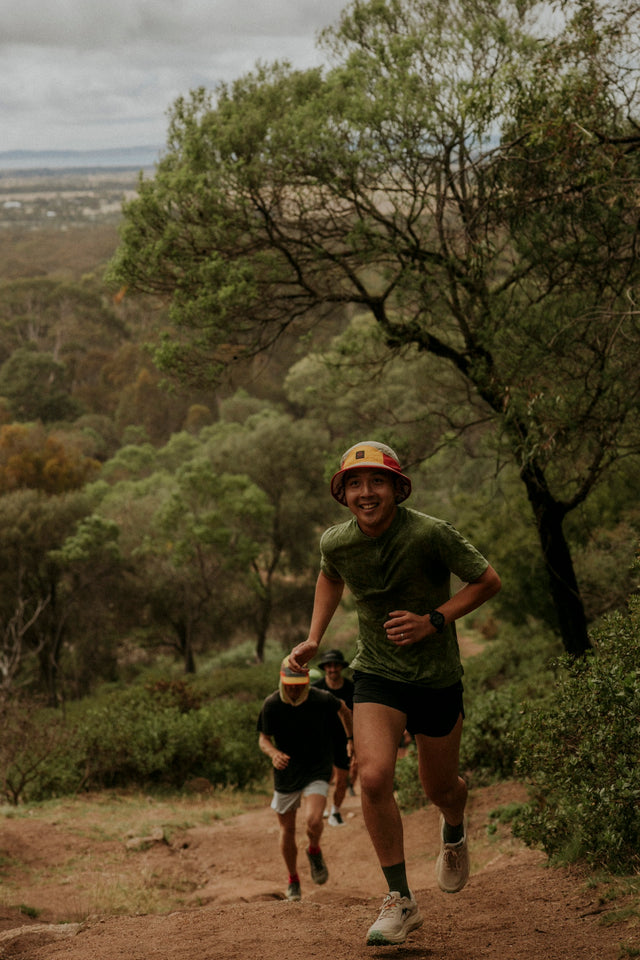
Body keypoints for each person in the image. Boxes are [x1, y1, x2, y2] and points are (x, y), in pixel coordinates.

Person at [288, 440, 501, 945]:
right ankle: (401, 900)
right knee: (376, 777)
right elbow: (329, 578)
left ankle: (454, 821)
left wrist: (434, 620)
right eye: (355, 484)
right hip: (379, 674)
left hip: (437, 678)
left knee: (439, 789)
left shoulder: (430, 534)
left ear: (396, 488)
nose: (366, 492)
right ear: (343, 494)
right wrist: (315, 638)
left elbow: (488, 581)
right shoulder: (336, 542)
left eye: (377, 482)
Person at [257, 656, 353, 902]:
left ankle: (314, 849)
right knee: (287, 828)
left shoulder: (320, 698)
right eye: (289, 684)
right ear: (282, 681)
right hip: (287, 770)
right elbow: (263, 739)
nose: (294, 688)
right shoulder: (272, 704)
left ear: (306, 683)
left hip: (317, 766)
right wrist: (274, 753)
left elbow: (343, 709)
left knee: (313, 820)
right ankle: (293, 880)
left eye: (299, 684)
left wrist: (352, 739)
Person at [312, 648, 357, 826]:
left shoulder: (351, 689)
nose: (332, 669)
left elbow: (357, 715)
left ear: (341, 667)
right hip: (321, 739)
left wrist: (353, 740)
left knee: (341, 779)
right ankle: (319, 808)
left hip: (344, 739)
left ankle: (335, 812)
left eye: (335, 666)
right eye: (329, 666)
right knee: (322, 777)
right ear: (324, 668)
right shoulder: (316, 688)